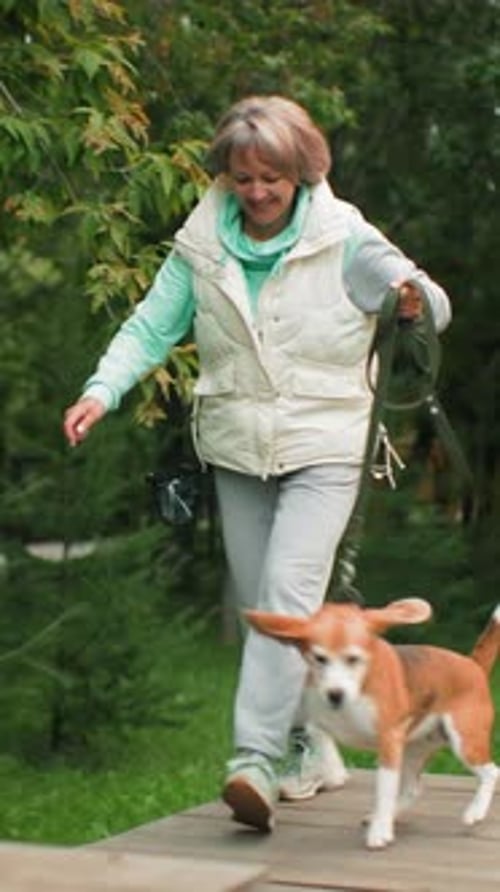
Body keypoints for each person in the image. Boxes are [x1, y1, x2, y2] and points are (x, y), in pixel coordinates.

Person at [64, 95, 451, 833]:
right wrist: (101, 390)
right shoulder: (204, 241)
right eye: (244, 177)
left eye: (273, 177)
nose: (258, 192)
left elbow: (429, 302)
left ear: (303, 171)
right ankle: (311, 746)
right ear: (226, 175)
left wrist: (409, 302)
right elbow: (152, 323)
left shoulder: (344, 236)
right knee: (265, 615)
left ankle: (253, 760)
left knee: (286, 594)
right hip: (238, 448)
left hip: (326, 447)